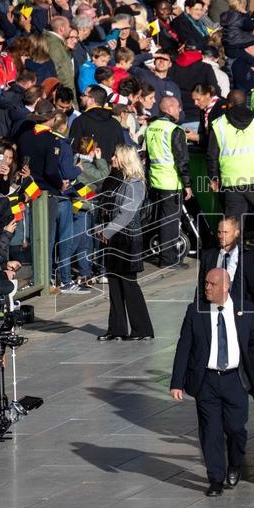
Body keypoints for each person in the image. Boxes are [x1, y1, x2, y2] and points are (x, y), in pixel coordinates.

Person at [170, 269, 254, 496]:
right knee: (211, 432)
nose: (206, 287)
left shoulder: (244, 309)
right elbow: (184, 347)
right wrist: (177, 382)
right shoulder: (195, 311)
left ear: (225, 287)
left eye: (211, 284)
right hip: (206, 381)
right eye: (205, 283)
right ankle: (216, 479)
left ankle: (235, 464)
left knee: (236, 429)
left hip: (235, 381)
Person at [97, 144, 154, 342]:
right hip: (116, 238)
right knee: (114, 284)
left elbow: (127, 213)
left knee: (129, 285)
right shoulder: (122, 180)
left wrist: (107, 231)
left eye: (115, 155)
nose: (112, 158)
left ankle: (142, 328)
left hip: (127, 239)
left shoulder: (135, 182)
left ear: (123, 158)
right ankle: (117, 328)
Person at [144, 95, 192, 268]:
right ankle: (169, 260)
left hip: (156, 181)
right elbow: (182, 161)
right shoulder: (174, 130)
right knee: (170, 222)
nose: (179, 110)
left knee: (162, 220)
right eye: (177, 106)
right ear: (169, 108)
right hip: (171, 182)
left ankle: (166, 256)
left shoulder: (151, 128)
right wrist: (187, 184)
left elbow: (148, 156)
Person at [197, 217, 254, 303]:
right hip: (212, 307)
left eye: (225, 232)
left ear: (237, 233)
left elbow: (253, 288)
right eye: (219, 232)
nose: (221, 236)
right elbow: (201, 287)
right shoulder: (208, 256)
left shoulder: (247, 256)